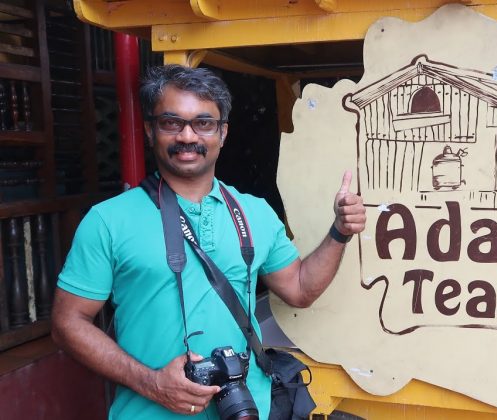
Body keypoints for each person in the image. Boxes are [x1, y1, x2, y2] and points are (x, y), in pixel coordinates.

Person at [50, 64, 366, 420]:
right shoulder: (108, 220)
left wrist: (340, 231)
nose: (188, 136)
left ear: (223, 132)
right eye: (171, 122)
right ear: (150, 131)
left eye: (203, 123)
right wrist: (151, 383)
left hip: (246, 410)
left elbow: (300, 290)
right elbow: (67, 323)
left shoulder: (255, 213)